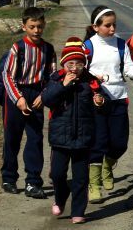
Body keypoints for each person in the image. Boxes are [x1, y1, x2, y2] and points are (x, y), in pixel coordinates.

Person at [42, 37, 107, 224]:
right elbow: (47, 99)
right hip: (60, 138)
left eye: (79, 63)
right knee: (57, 174)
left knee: (80, 177)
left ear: (84, 65)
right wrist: (63, 86)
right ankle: (60, 197)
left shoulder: (91, 82)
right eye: (70, 63)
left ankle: (78, 210)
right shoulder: (56, 79)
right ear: (64, 64)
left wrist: (101, 102)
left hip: (83, 137)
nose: (74, 67)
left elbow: (103, 105)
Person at [84, 6, 133, 203]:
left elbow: (129, 69)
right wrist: (94, 81)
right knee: (98, 143)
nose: (112, 29)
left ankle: (108, 166)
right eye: (107, 25)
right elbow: (80, 72)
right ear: (95, 26)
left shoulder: (120, 44)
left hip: (119, 98)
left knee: (119, 143)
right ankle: (94, 184)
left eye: (114, 25)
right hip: (97, 99)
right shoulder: (88, 46)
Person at [1, 7, 56, 198]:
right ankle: (9, 177)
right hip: (17, 94)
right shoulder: (18, 48)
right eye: (32, 27)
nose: (36, 31)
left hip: (37, 95)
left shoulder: (48, 49)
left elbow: (52, 77)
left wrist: (44, 95)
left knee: (35, 138)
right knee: (12, 138)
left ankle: (33, 181)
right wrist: (19, 99)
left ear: (44, 26)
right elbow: (8, 75)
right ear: (24, 26)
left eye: (39, 27)